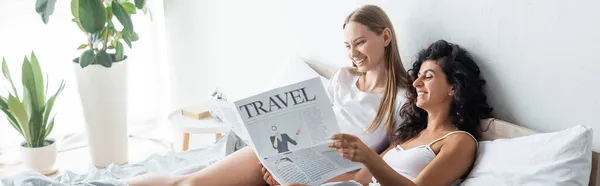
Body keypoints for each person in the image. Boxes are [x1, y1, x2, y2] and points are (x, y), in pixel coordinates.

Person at [124, 4, 410, 186]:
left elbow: (378, 167)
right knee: (190, 184)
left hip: (326, 175)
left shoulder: (401, 101)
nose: (353, 54)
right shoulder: (344, 78)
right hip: (287, 154)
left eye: (360, 43)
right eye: (348, 46)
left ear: (385, 37)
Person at [264, 40, 494, 185]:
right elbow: (357, 178)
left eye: (429, 77)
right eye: (418, 76)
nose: (416, 84)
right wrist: (295, 176)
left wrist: (369, 157)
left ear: (454, 87)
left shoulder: (460, 141)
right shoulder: (410, 136)